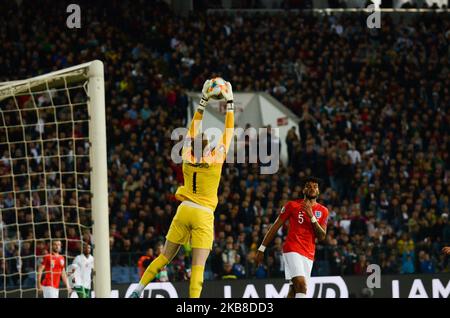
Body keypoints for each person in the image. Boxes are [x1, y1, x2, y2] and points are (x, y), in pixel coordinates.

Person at [129, 78, 234, 298]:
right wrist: (230, 103)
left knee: (165, 256)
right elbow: (229, 131)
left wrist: (203, 101)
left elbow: (193, 128)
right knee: (198, 267)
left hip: (184, 209)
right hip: (203, 214)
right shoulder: (216, 158)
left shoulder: (186, 155)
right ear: (208, 145)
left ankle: (138, 289)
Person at [256, 177, 328, 298]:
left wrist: (312, 217)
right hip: (292, 249)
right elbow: (274, 227)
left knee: (294, 290)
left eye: (315, 186)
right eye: (308, 186)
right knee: (302, 286)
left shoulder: (323, 210)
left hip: (309, 253)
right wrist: (262, 248)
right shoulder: (292, 205)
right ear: (303, 190)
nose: (312, 188)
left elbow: (322, 236)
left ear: (318, 191)